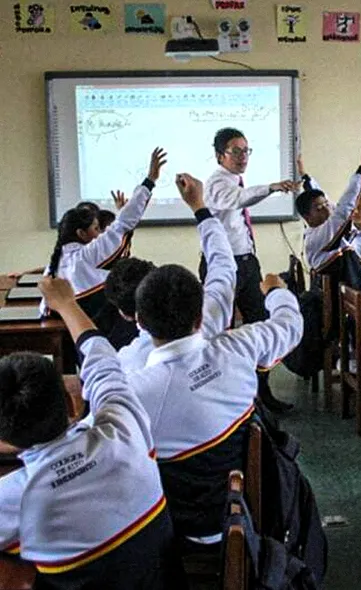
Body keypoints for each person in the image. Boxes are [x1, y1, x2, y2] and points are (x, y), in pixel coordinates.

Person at [128, 173, 304, 547]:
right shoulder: (239, 346)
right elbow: (227, 270)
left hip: (169, 530)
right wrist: (276, 293)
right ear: (199, 316)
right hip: (241, 514)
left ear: (140, 322)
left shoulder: (133, 389)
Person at [0, 276, 184, 588]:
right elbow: (102, 361)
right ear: (73, 404)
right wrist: (66, 304)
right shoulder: (124, 427)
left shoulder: (15, 497)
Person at [204, 127, 297, 412]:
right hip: (222, 266)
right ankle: (225, 399)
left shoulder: (234, 180)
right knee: (219, 329)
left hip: (246, 262)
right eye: (236, 151)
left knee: (259, 323)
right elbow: (239, 199)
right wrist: (271, 187)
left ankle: (262, 395)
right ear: (220, 155)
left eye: (246, 150)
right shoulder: (217, 183)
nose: (243, 156)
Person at [106, 177, 236, 373]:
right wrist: (199, 206)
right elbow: (223, 263)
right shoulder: (211, 317)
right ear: (199, 316)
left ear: (130, 316)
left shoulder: (127, 364)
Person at [41, 148, 166, 348]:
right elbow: (123, 224)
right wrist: (150, 180)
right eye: (96, 228)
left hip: (74, 336)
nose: (100, 233)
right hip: (105, 335)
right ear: (81, 234)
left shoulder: (56, 264)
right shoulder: (86, 255)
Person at [297, 141, 361, 275]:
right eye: (319, 208)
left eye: (327, 204)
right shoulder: (318, 235)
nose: (327, 209)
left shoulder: (322, 223)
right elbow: (344, 207)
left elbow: (320, 196)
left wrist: (305, 176)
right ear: (307, 217)